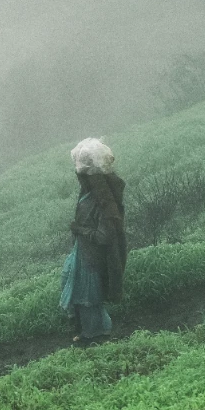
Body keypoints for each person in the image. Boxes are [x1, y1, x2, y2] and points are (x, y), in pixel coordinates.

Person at [60, 137, 127, 343]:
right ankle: (86, 332)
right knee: (75, 290)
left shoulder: (104, 204)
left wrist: (79, 229)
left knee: (88, 299)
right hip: (82, 253)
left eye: (82, 175)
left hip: (92, 259)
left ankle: (96, 337)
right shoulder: (87, 194)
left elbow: (104, 236)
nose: (79, 179)